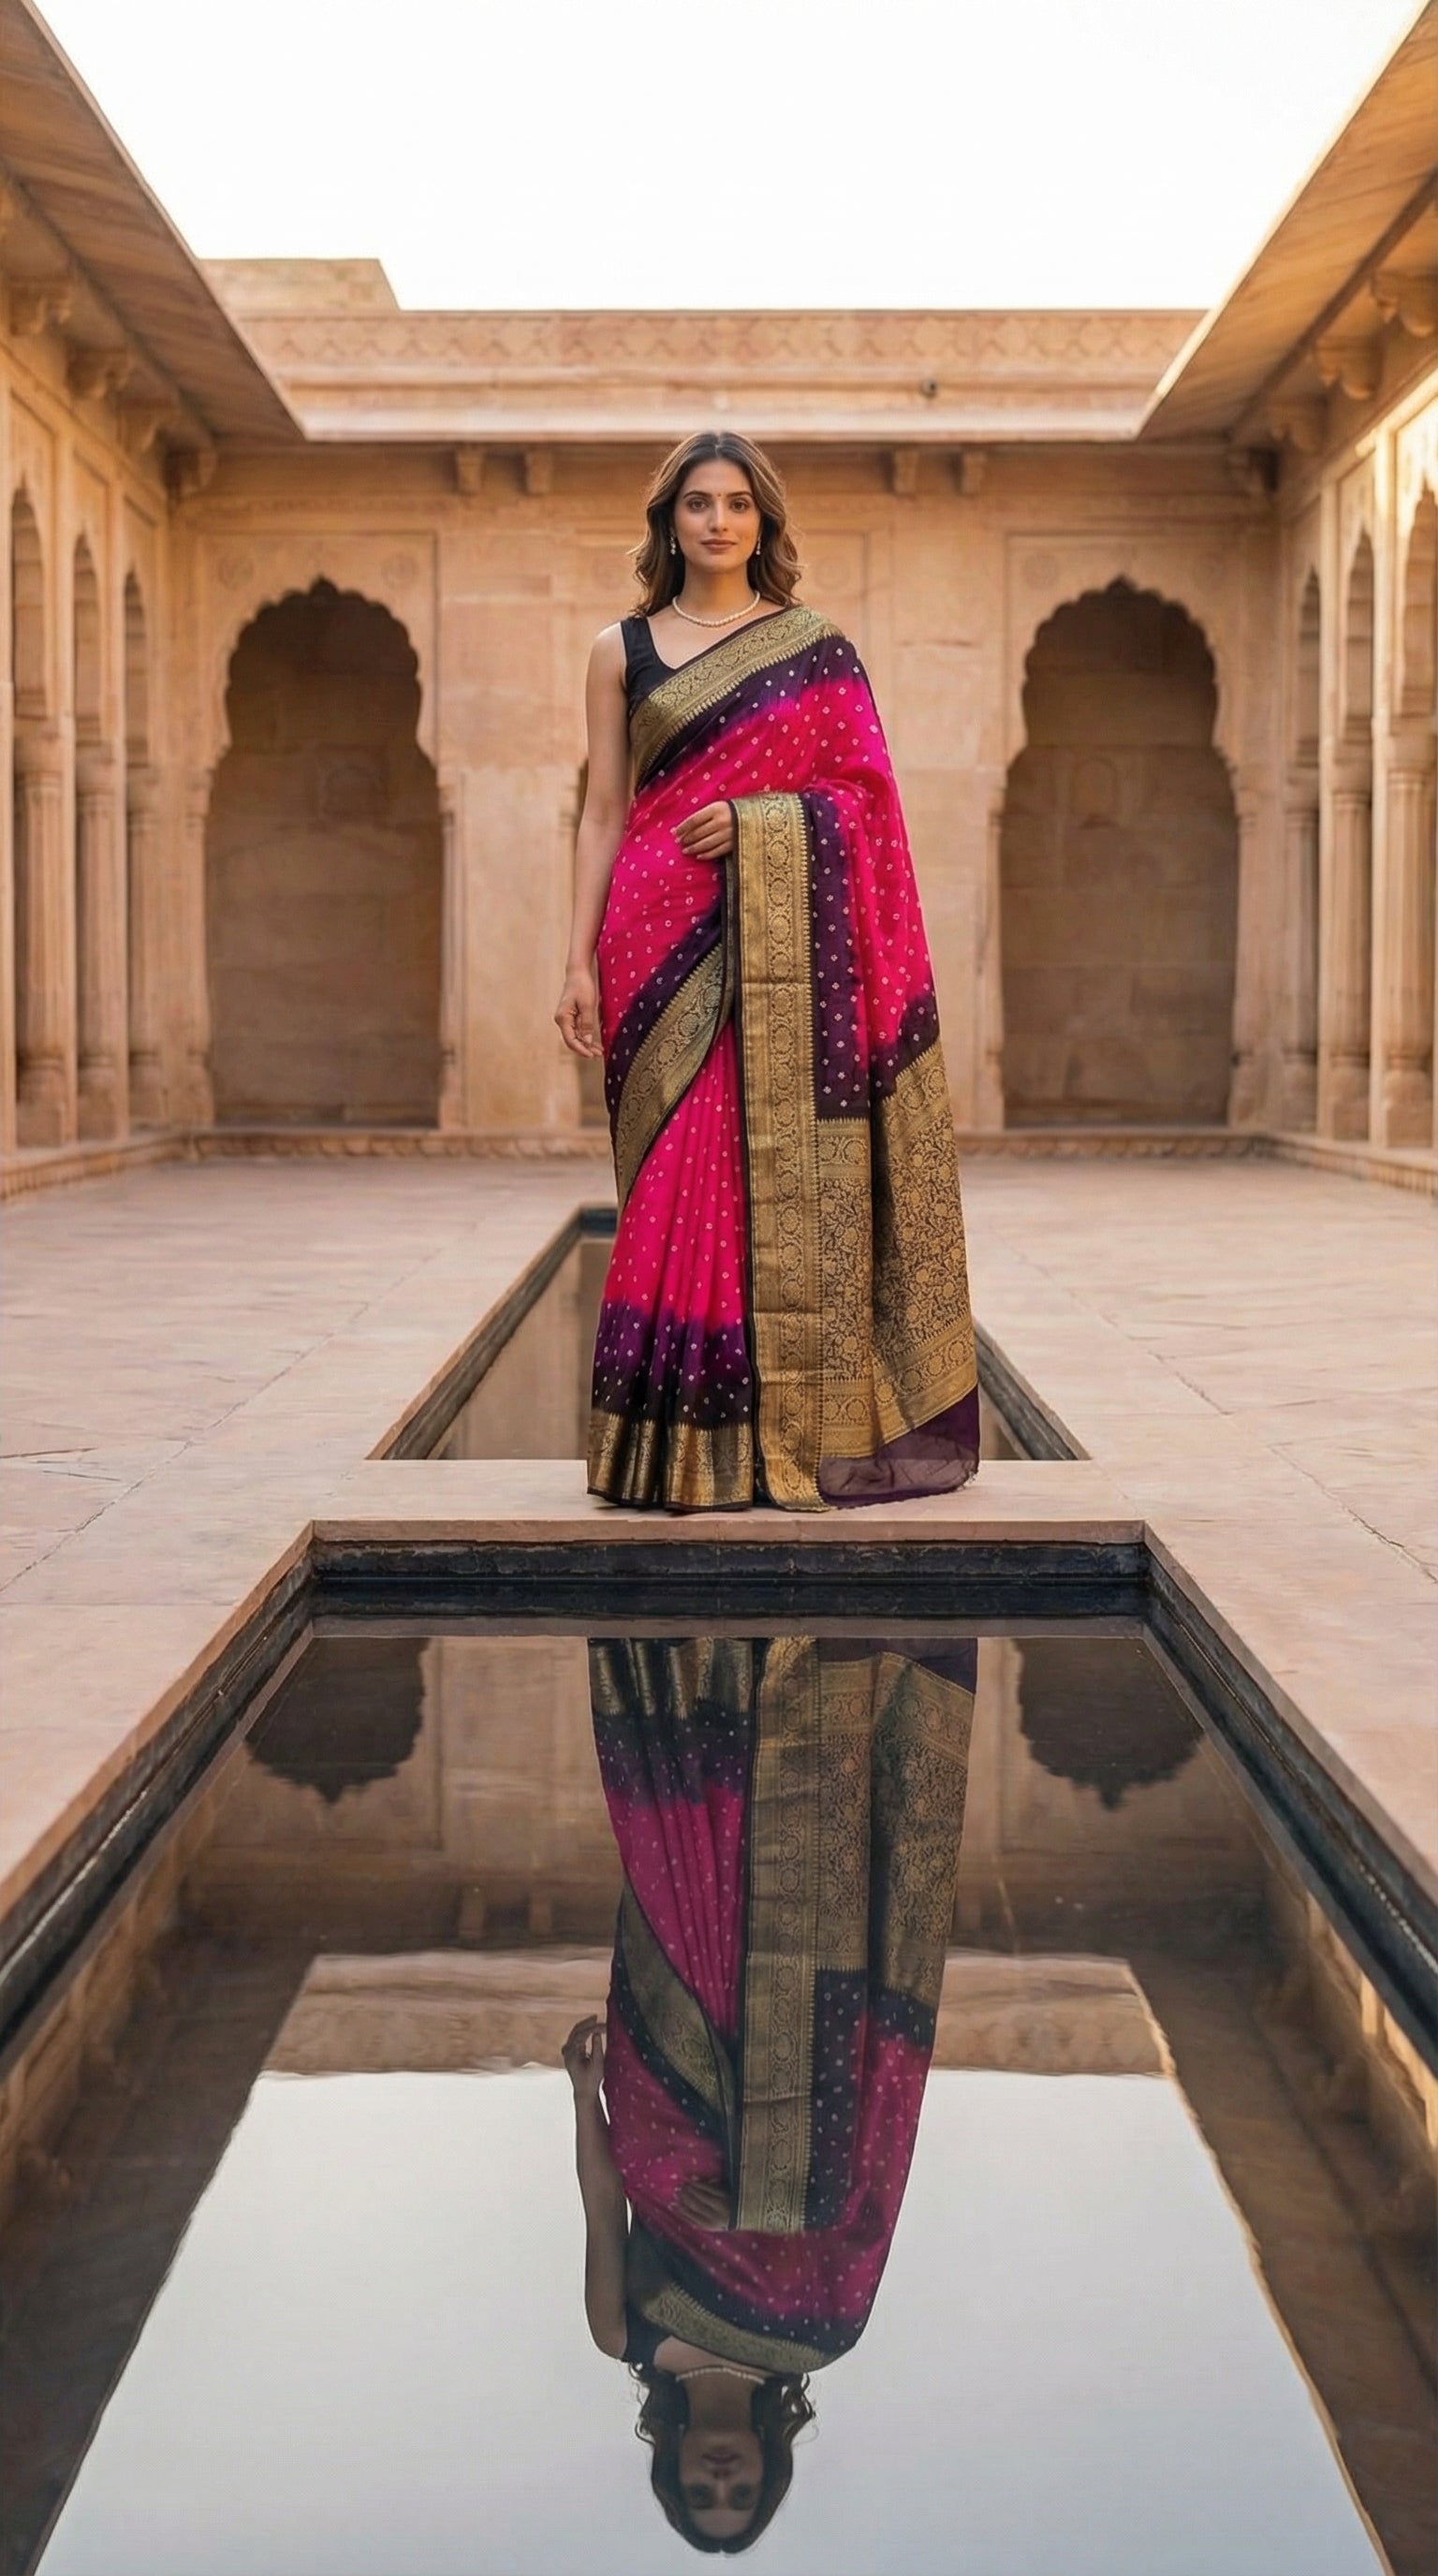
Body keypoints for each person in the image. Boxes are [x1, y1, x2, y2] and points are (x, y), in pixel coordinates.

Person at [554, 431, 979, 1512]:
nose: (717, 522)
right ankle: (659, 1448)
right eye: (697, 504)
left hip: (780, 935)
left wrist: (757, 823)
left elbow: (865, 802)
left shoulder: (813, 647)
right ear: (669, 522)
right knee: (666, 1180)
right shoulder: (621, 648)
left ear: (764, 521)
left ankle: (754, 1443)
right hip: (651, 930)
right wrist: (575, 957)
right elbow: (603, 808)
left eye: (737, 503)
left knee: (755, 1175)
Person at [563, 1634, 976, 2552]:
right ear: (764, 2465)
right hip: (800, 2071)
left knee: (677, 1859)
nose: (720, 2482)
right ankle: (799, 1662)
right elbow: (862, 2203)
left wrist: (583, 2093)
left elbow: (603, 2206)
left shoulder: (619, 2333)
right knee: (781, 1876)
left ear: (669, 2467)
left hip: (656, 2083)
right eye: (741, 2491)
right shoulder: (821, 2333)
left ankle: (685, 1653)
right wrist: (764, 2201)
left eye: (701, 2495)